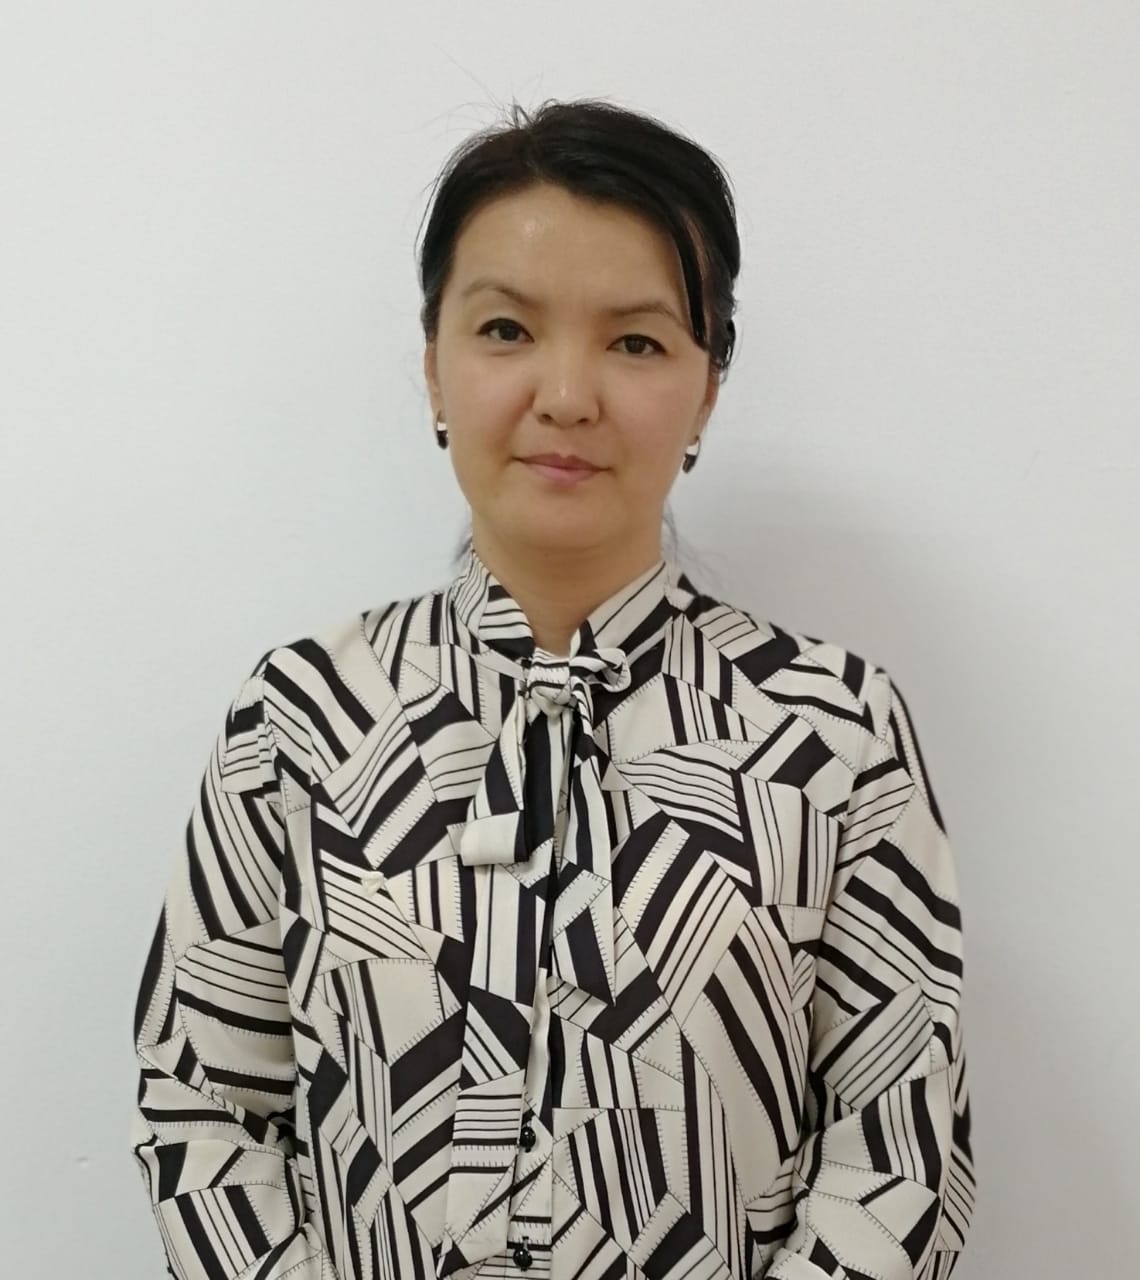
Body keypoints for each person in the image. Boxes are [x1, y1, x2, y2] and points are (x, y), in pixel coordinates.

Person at [130, 97, 975, 1280]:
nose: (568, 393)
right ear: (434, 363)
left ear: (708, 388)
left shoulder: (834, 733)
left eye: (636, 342)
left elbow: (900, 1154)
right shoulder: (301, 719)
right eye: (506, 328)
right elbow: (205, 1110)